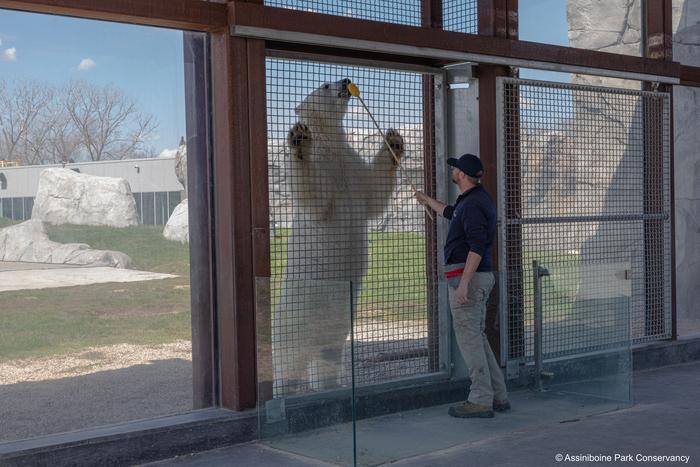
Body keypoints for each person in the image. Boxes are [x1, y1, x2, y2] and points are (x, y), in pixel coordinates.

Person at [415, 153, 510, 419]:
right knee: (477, 338)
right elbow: (450, 212)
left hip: (468, 279)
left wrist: (464, 284)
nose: (453, 170)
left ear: (462, 175)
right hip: (473, 277)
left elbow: (477, 246)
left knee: (469, 341)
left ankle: (480, 400)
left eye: (456, 168)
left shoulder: (472, 205)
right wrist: (426, 200)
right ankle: (498, 396)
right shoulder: (471, 201)